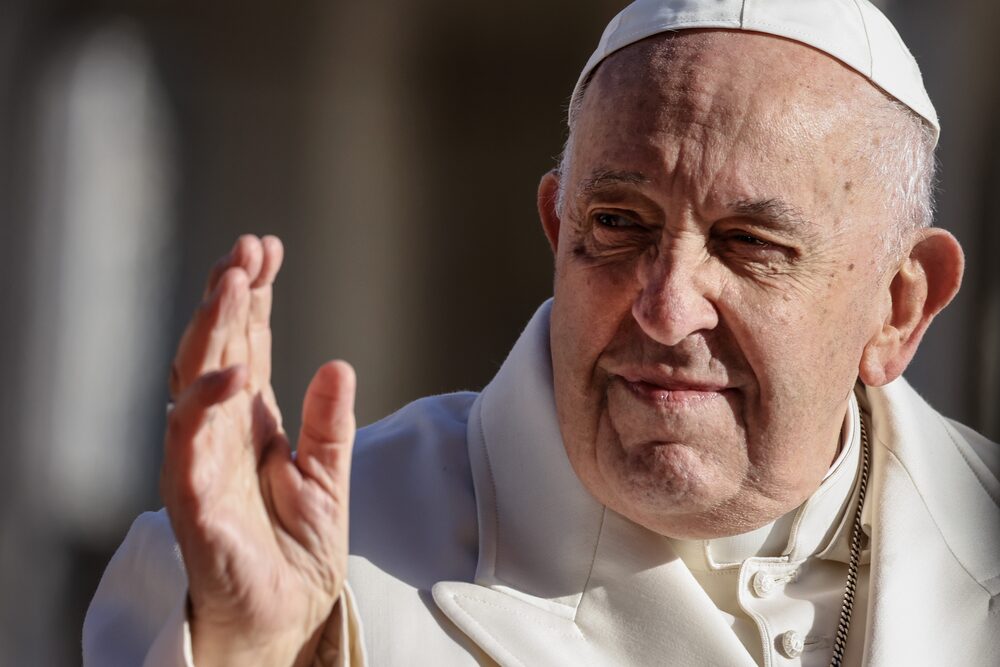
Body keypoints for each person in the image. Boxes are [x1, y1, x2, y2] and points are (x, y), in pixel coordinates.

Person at [83, 1, 1000, 665]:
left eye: (749, 244)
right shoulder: (274, 569)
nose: (667, 304)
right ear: (558, 229)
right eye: (619, 223)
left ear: (900, 305)